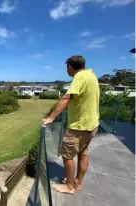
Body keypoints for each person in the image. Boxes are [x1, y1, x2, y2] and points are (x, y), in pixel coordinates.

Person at [42, 55, 100, 194]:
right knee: (83, 153)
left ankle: (69, 186)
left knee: (67, 156)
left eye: (66, 67)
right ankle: (78, 182)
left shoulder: (79, 78)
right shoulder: (91, 75)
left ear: (70, 66)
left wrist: (51, 118)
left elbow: (66, 98)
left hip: (79, 126)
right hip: (92, 124)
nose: (66, 70)